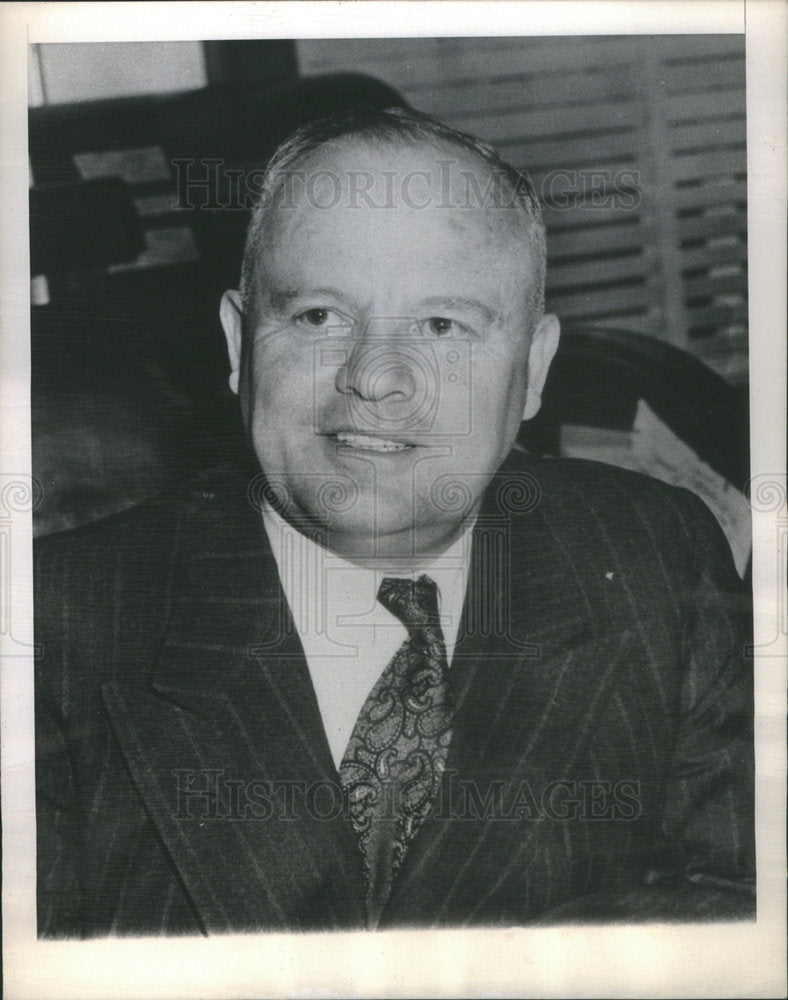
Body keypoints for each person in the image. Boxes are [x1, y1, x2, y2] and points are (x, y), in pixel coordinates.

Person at [35, 107, 754, 937]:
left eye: (443, 326)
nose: (376, 377)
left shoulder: (658, 553)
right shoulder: (50, 627)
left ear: (534, 369)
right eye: (319, 317)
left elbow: (740, 901)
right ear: (239, 343)